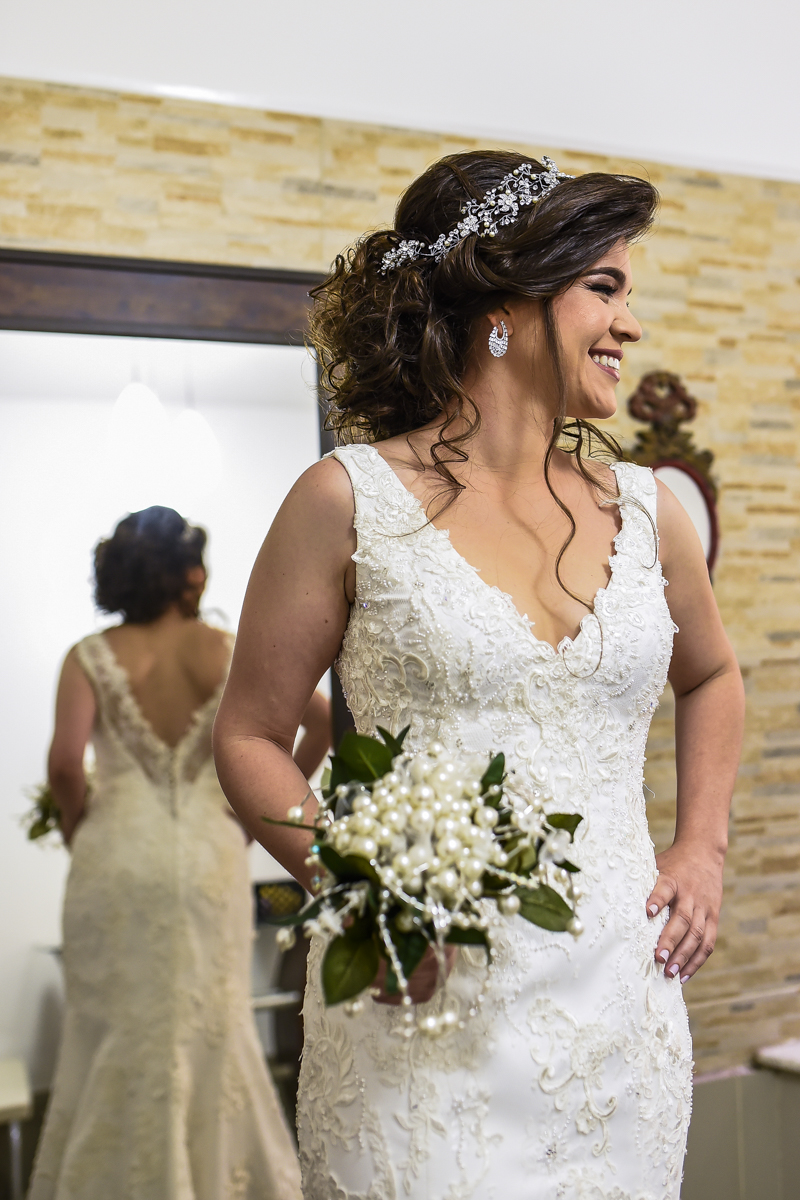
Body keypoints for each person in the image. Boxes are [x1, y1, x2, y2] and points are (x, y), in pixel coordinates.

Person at [212, 152, 745, 1199]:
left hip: (618, 1009)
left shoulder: (647, 510)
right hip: (423, 1019)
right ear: (503, 302)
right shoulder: (343, 499)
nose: (629, 323)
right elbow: (246, 736)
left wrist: (701, 845)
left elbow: (713, 673)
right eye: (603, 287)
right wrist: (352, 891)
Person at [29, 506, 329, 1200]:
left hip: (115, 853)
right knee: (215, 1020)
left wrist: (79, 828)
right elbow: (318, 720)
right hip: (208, 849)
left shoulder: (89, 655)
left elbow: (66, 766)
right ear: (187, 573)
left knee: (108, 1025)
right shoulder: (224, 649)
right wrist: (256, 812)